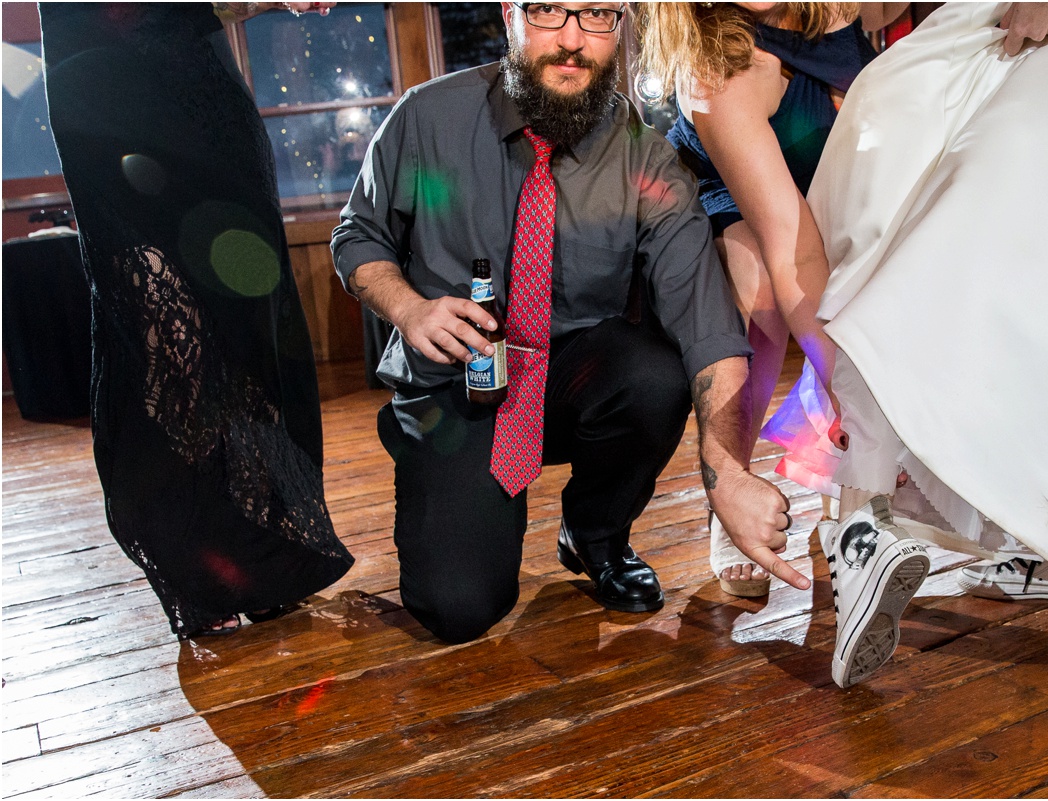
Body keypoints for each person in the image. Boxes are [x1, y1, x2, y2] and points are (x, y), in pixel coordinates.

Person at [738, 1, 1048, 687]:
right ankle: (889, 523)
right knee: (943, 253)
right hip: (947, 63)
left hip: (1024, 42)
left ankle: (909, 525)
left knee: (1024, 258)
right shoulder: (724, 66)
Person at [331, 1, 806, 644]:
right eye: (550, 11)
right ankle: (438, 474)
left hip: (573, 380)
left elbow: (707, 323)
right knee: (459, 609)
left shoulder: (646, 161)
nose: (573, 41)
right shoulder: (427, 116)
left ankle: (596, 532)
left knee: (655, 375)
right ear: (510, 16)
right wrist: (410, 308)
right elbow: (358, 237)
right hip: (459, 386)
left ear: (622, 28)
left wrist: (726, 475)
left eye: (597, 15)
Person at [40, 2, 354, 640]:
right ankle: (195, 561)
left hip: (195, 74)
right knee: (158, 322)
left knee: (247, 314)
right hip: (99, 81)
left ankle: (262, 552)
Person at [637, 2, 904, 598]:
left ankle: (862, 487)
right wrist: (846, 385)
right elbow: (792, 249)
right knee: (760, 279)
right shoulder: (716, 72)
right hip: (727, 209)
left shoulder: (846, 7)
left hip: (829, 200)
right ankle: (730, 487)